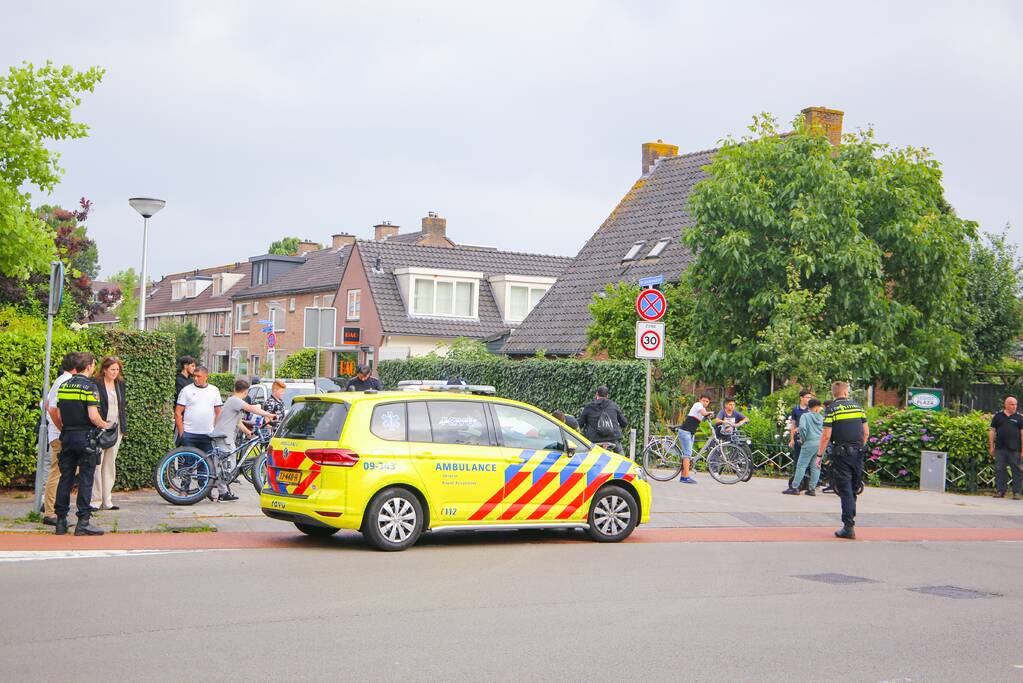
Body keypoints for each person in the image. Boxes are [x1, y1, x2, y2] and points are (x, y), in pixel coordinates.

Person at [54, 352, 112, 536]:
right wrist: (105, 425)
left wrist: (66, 430)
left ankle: (61, 521)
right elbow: (93, 416)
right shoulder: (89, 387)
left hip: (67, 436)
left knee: (65, 478)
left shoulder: (64, 385)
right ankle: (83, 522)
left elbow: (59, 415)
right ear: (88, 366)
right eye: (93, 365)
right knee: (86, 479)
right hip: (86, 437)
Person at [209, 379, 277, 501]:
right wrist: (268, 414)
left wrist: (247, 431)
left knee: (224, 465)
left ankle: (223, 493)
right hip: (224, 436)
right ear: (246, 392)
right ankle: (216, 487)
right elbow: (251, 408)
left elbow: (237, 421)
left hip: (224, 436)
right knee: (229, 465)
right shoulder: (235, 400)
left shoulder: (232, 401)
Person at [817, 381, 868, 539]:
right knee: (853, 488)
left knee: (845, 489)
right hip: (858, 454)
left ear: (833, 393)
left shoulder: (832, 409)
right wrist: (859, 447)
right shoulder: (858, 407)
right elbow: (866, 432)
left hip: (841, 455)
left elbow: (826, 436)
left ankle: (848, 526)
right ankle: (850, 519)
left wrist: (819, 456)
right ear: (846, 393)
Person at [41, 352, 80, 526]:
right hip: (59, 435)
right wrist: (62, 429)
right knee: (57, 472)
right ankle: (50, 512)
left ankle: (52, 507)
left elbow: (47, 404)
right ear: (76, 367)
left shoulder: (61, 380)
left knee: (63, 472)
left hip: (58, 433)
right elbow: (51, 408)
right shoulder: (65, 381)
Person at [90, 356, 127, 511]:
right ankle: (95, 500)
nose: (115, 372)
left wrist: (122, 427)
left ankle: (107, 500)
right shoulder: (95, 383)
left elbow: (122, 406)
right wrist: (99, 423)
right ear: (104, 370)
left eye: (117, 369)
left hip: (116, 429)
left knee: (110, 464)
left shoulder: (120, 384)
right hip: (100, 428)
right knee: (97, 464)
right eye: (112, 369)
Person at [175, 366, 223, 455]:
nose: (196, 379)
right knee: (189, 462)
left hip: (208, 435)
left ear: (206, 377)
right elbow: (178, 412)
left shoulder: (214, 390)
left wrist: (215, 430)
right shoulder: (186, 390)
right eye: (194, 376)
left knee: (208, 462)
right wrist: (182, 434)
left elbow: (218, 412)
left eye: (199, 376)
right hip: (189, 434)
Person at [784, 398, 824, 496]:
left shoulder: (805, 416)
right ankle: (812, 489)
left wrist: (803, 439)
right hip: (820, 444)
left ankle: (795, 487)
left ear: (809, 407)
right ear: (817, 407)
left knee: (801, 465)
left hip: (809, 443)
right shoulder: (821, 418)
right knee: (816, 466)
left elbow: (802, 428)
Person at [989, 396, 1023, 500]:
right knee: (999, 469)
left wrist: (1022, 449)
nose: (1014, 406)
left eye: (1016, 404)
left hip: (1015, 449)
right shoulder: (998, 416)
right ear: (1006, 405)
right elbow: (992, 431)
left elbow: (1022, 434)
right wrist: (991, 446)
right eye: (1012, 404)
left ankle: (1016, 492)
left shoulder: (1019, 417)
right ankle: (1000, 491)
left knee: (1016, 470)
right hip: (1000, 448)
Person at [578, 386, 628, 451]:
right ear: (607, 396)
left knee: (588, 455)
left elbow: (580, 424)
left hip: (594, 440)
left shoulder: (589, 406)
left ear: (596, 394)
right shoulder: (614, 405)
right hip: (612, 439)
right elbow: (624, 423)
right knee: (621, 456)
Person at [677, 394, 712, 484]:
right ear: (700, 400)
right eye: (703, 400)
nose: (705, 402)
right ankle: (686, 478)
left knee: (687, 455)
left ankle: (683, 476)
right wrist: (709, 413)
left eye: (707, 401)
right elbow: (703, 413)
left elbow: (704, 415)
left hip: (690, 433)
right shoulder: (698, 405)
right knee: (687, 455)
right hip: (686, 432)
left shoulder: (703, 409)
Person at [787, 390, 813, 487]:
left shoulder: (811, 409)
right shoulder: (795, 410)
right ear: (801, 398)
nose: (809, 399)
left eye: (810, 397)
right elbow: (793, 425)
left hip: (808, 439)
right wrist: (791, 439)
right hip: (798, 438)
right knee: (797, 460)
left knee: (808, 461)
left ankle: (808, 481)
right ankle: (796, 481)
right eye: (807, 397)